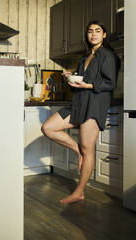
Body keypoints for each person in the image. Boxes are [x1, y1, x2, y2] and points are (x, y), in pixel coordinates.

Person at [41, 20, 120, 204]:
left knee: (88, 148)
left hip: (94, 103)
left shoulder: (108, 55)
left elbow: (110, 83)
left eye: (98, 31)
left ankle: (79, 191)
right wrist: (71, 77)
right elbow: (82, 79)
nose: (93, 34)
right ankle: (77, 150)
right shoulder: (85, 57)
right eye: (90, 31)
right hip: (79, 101)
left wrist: (88, 84)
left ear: (104, 35)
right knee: (48, 128)